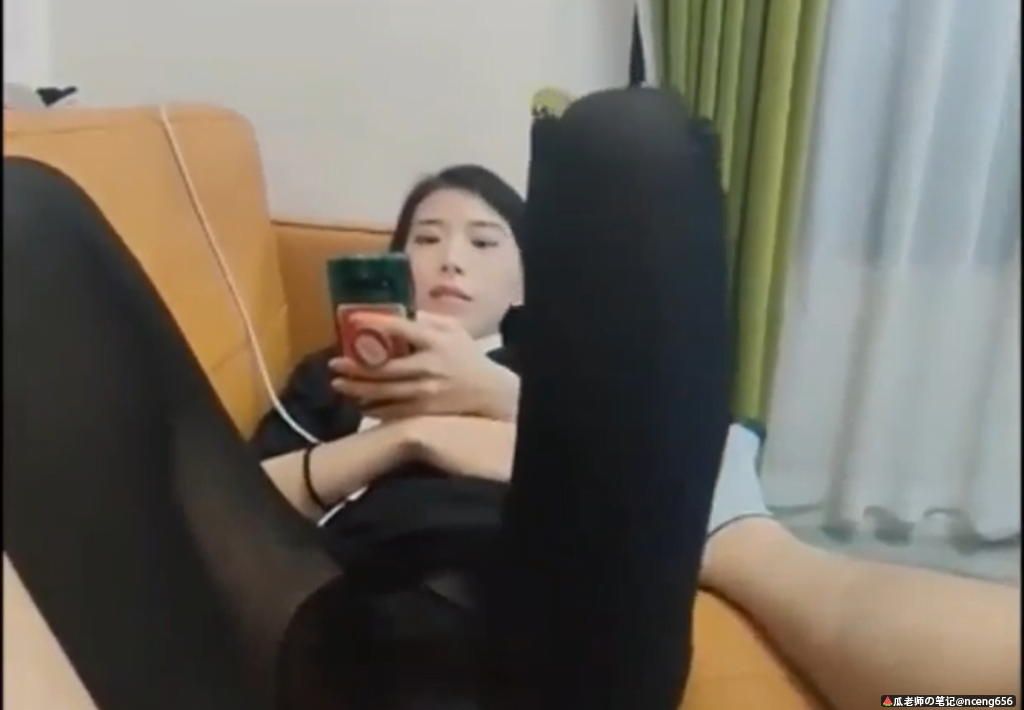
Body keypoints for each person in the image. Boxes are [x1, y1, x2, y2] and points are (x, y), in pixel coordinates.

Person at [254, 164, 527, 519]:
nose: (451, 261)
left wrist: (499, 394)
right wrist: (404, 438)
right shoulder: (336, 372)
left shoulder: (559, 377)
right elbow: (238, 500)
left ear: (523, 284)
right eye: (427, 239)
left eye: (483, 243)